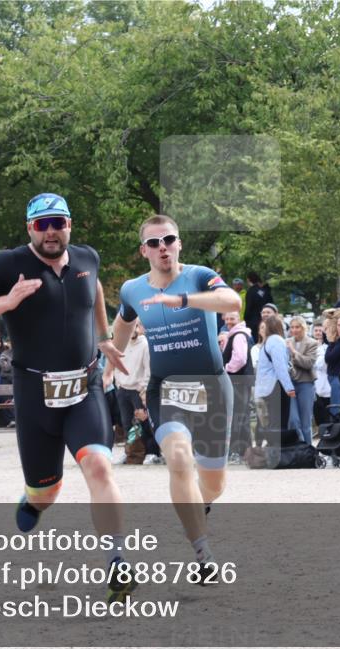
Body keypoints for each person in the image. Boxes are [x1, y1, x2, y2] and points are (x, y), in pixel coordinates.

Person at [0, 192, 135, 602]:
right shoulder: (9, 264)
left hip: (83, 388)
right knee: (45, 491)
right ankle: (35, 501)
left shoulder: (88, 258)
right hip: (35, 392)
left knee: (100, 469)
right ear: (30, 228)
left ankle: (117, 561)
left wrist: (103, 338)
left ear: (70, 225)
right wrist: (9, 301)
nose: (51, 232)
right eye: (42, 225)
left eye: (58, 223)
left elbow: (98, 291)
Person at [111, 213, 241, 580]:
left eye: (168, 239)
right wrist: (110, 359)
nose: (162, 247)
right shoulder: (133, 289)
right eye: (154, 243)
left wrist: (186, 300)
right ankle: (203, 555)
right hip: (165, 388)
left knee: (214, 482)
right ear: (144, 251)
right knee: (179, 458)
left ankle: (197, 507)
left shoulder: (199, 276)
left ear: (179, 243)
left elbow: (231, 302)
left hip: (212, 387)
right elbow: (123, 322)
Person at [113, 321, 150, 465]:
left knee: (143, 423)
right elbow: (115, 365)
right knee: (126, 423)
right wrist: (118, 383)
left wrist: (144, 389)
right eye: (131, 326)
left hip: (137, 390)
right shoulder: (122, 343)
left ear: (140, 328)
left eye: (136, 326)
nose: (133, 329)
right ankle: (130, 453)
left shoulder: (145, 345)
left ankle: (149, 452)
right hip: (123, 389)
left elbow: (148, 369)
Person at [255, 314, 296, 438]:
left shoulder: (267, 342)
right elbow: (280, 367)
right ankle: (280, 455)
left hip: (267, 388)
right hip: (277, 386)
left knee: (273, 424)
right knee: (280, 424)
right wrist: (289, 387)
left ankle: (274, 453)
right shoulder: (276, 340)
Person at [220, 310, 254, 462]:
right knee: (243, 417)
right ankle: (245, 451)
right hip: (242, 381)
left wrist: (226, 368)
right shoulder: (236, 334)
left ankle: (235, 452)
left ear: (238, 318)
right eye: (227, 318)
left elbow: (240, 359)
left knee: (236, 417)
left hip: (238, 381)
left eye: (232, 318)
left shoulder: (238, 335)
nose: (229, 321)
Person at [286, 316, 318, 449]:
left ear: (303, 328)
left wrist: (293, 352)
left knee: (306, 421)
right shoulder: (287, 341)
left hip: (305, 383)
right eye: (292, 327)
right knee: (293, 419)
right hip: (291, 383)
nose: (294, 330)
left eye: (297, 327)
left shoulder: (312, 343)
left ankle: (308, 450)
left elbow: (308, 363)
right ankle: (298, 448)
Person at [244, 272, 273, 336]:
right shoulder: (266, 291)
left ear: (248, 280)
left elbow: (249, 307)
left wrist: (246, 318)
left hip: (253, 322)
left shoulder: (251, 292)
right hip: (267, 320)